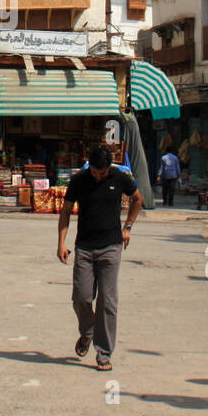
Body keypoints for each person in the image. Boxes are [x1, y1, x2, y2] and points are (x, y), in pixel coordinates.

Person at [57, 146, 143, 372]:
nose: (98, 177)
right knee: (81, 297)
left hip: (111, 247)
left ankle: (104, 353)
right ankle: (88, 333)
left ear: (109, 167)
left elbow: (137, 199)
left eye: (102, 173)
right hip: (84, 247)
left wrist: (128, 227)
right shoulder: (79, 180)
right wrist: (61, 242)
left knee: (108, 301)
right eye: (95, 172)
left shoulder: (120, 177)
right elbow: (65, 210)